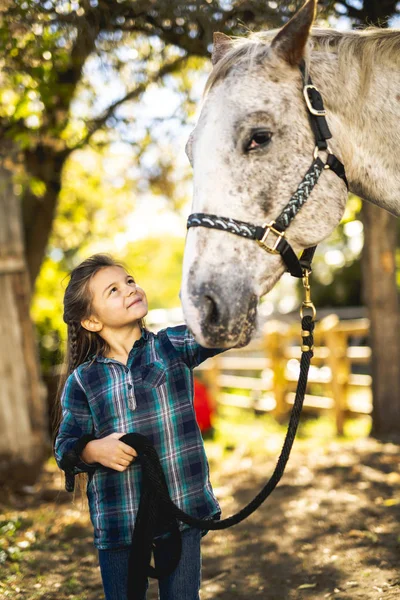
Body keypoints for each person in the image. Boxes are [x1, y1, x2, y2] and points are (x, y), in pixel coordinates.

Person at [53, 253, 226, 600]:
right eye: (113, 290)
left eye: (129, 281)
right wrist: (93, 449)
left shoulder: (170, 346)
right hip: (120, 521)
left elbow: (222, 330)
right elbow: (65, 446)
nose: (129, 289)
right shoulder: (84, 381)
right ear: (90, 321)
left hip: (182, 508)